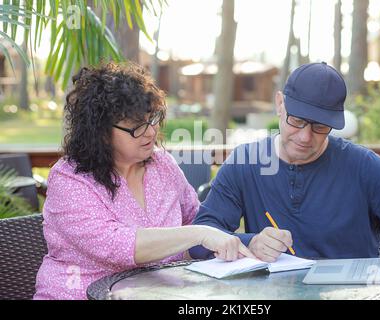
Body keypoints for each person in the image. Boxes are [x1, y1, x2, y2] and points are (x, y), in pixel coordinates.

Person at [190, 62, 380, 300]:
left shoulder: (362, 166)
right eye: (298, 121)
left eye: (320, 127)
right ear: (280, 104)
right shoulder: (245, 162)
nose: (305, 137)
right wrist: (250, 242)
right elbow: (200, 238)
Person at [34, 62, 253, 300]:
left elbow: (198, 222)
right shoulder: (70, 180)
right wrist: (198, 234)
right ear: (100, 133)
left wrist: (250, 243)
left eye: (152, 118)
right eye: (136, 127)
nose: (150, 131)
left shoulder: (162, 164)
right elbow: (117, 246)